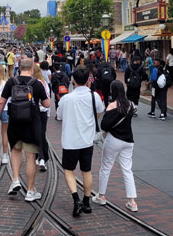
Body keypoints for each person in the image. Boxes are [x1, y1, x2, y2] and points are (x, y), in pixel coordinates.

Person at [0, 58, 50, 203]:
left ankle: (15, 180)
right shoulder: (36, 84)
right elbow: (46, 104)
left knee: (15, 151)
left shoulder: (11, 82)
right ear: (31, 70)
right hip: (31, 124)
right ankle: (30, 191)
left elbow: (1, 102)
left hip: (15, 123)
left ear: (19, 68)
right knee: (30, 156)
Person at [57, 67, 104, 217]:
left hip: (70, 141)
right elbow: (99, 111)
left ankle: (76, 199)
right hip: (87, 140)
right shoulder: (94, 96)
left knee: (69, 170)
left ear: (73, 80)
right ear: (88, 80)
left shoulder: (66, 98)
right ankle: (87, 202)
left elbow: (59, 116)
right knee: (86, 171)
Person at [94, 80, 138, 212]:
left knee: (106, 167)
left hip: (113, 140)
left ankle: (101, 196)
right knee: (127, 170)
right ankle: (132, 201)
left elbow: (104, 125)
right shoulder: (130, 104)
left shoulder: (112, 106)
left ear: (113, 91)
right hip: (128, 141)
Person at [33, 64, 50, 172]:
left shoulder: (32, 83)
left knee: (34, 134)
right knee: (42, 134)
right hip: (43, 111)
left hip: (34, 111)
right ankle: (43, 157)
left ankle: (40, 156)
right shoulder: (44, 83)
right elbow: (48, 98)